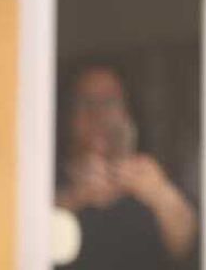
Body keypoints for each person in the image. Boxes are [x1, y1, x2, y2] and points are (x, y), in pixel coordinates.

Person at [56, 62, 197, 267]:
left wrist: (160, 195)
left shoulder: (153, 177)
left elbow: (193, 248)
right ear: (68, 116)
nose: (97, 114)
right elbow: (17, 239)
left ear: (129, 114)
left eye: (109, 102)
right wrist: (74, 197)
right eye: (85, 102)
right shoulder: (42, 174)